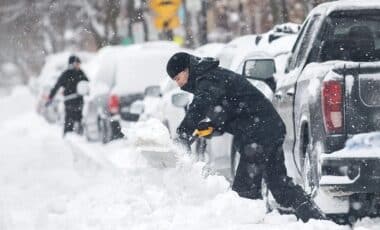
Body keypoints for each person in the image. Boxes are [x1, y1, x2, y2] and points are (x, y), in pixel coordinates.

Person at [166, 52, 326, 222]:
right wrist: (212, 125)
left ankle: (251, 222)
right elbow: (228, 110)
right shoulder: (211, 76)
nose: (179, 84)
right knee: (279, 187)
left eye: (178, 78)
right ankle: (320, 221)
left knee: (244, 192)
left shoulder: (208, 78)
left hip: (259, 134)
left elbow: (200, 105)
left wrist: (184, 132)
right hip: (269, 129)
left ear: (187, 69)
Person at [46, 55, 89, 135]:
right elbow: (57, 86)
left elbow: (87, 84)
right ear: (72, 64)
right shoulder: (66, 74)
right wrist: (50, 98)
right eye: (77, 63)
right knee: (70, 120)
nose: (79, 65)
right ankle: (68, 135)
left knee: (79, 118)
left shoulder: (81, 73)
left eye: (79, 64)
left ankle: (79, 135)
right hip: (69, 101)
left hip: (79, 100)